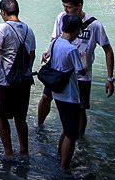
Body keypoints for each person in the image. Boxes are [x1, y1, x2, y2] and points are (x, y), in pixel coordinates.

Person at [36, 0, 114, 136]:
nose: (65, 10)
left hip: (82, 74)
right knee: (46, 97)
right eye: (64, 6)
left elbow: (108, 50)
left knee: (81, 107)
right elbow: (55, 38)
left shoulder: (95, 25)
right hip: (59, 71)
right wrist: (49, 51)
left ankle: (79, 140)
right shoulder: (61, 17)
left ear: (79, 6)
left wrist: (109, 79)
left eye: (68, 7)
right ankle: (38, 127)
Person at [0, 0, 36, 160]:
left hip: (4, 80)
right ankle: (24, 150)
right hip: (24, 80)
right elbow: (32, 54)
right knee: (20, 117)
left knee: (0, 115)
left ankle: (8, 151)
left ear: (3, 12)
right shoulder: (29, 29)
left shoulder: (2, 28)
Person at [48, 14, 88, 172]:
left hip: (57, 92)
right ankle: (65, 166)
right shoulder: (71, 49)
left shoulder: (56, 42)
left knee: (66, 127)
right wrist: (83, 58)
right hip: (70, 94)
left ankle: (60, 156)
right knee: (71, 133)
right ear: (76, 30)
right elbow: (81, 72)